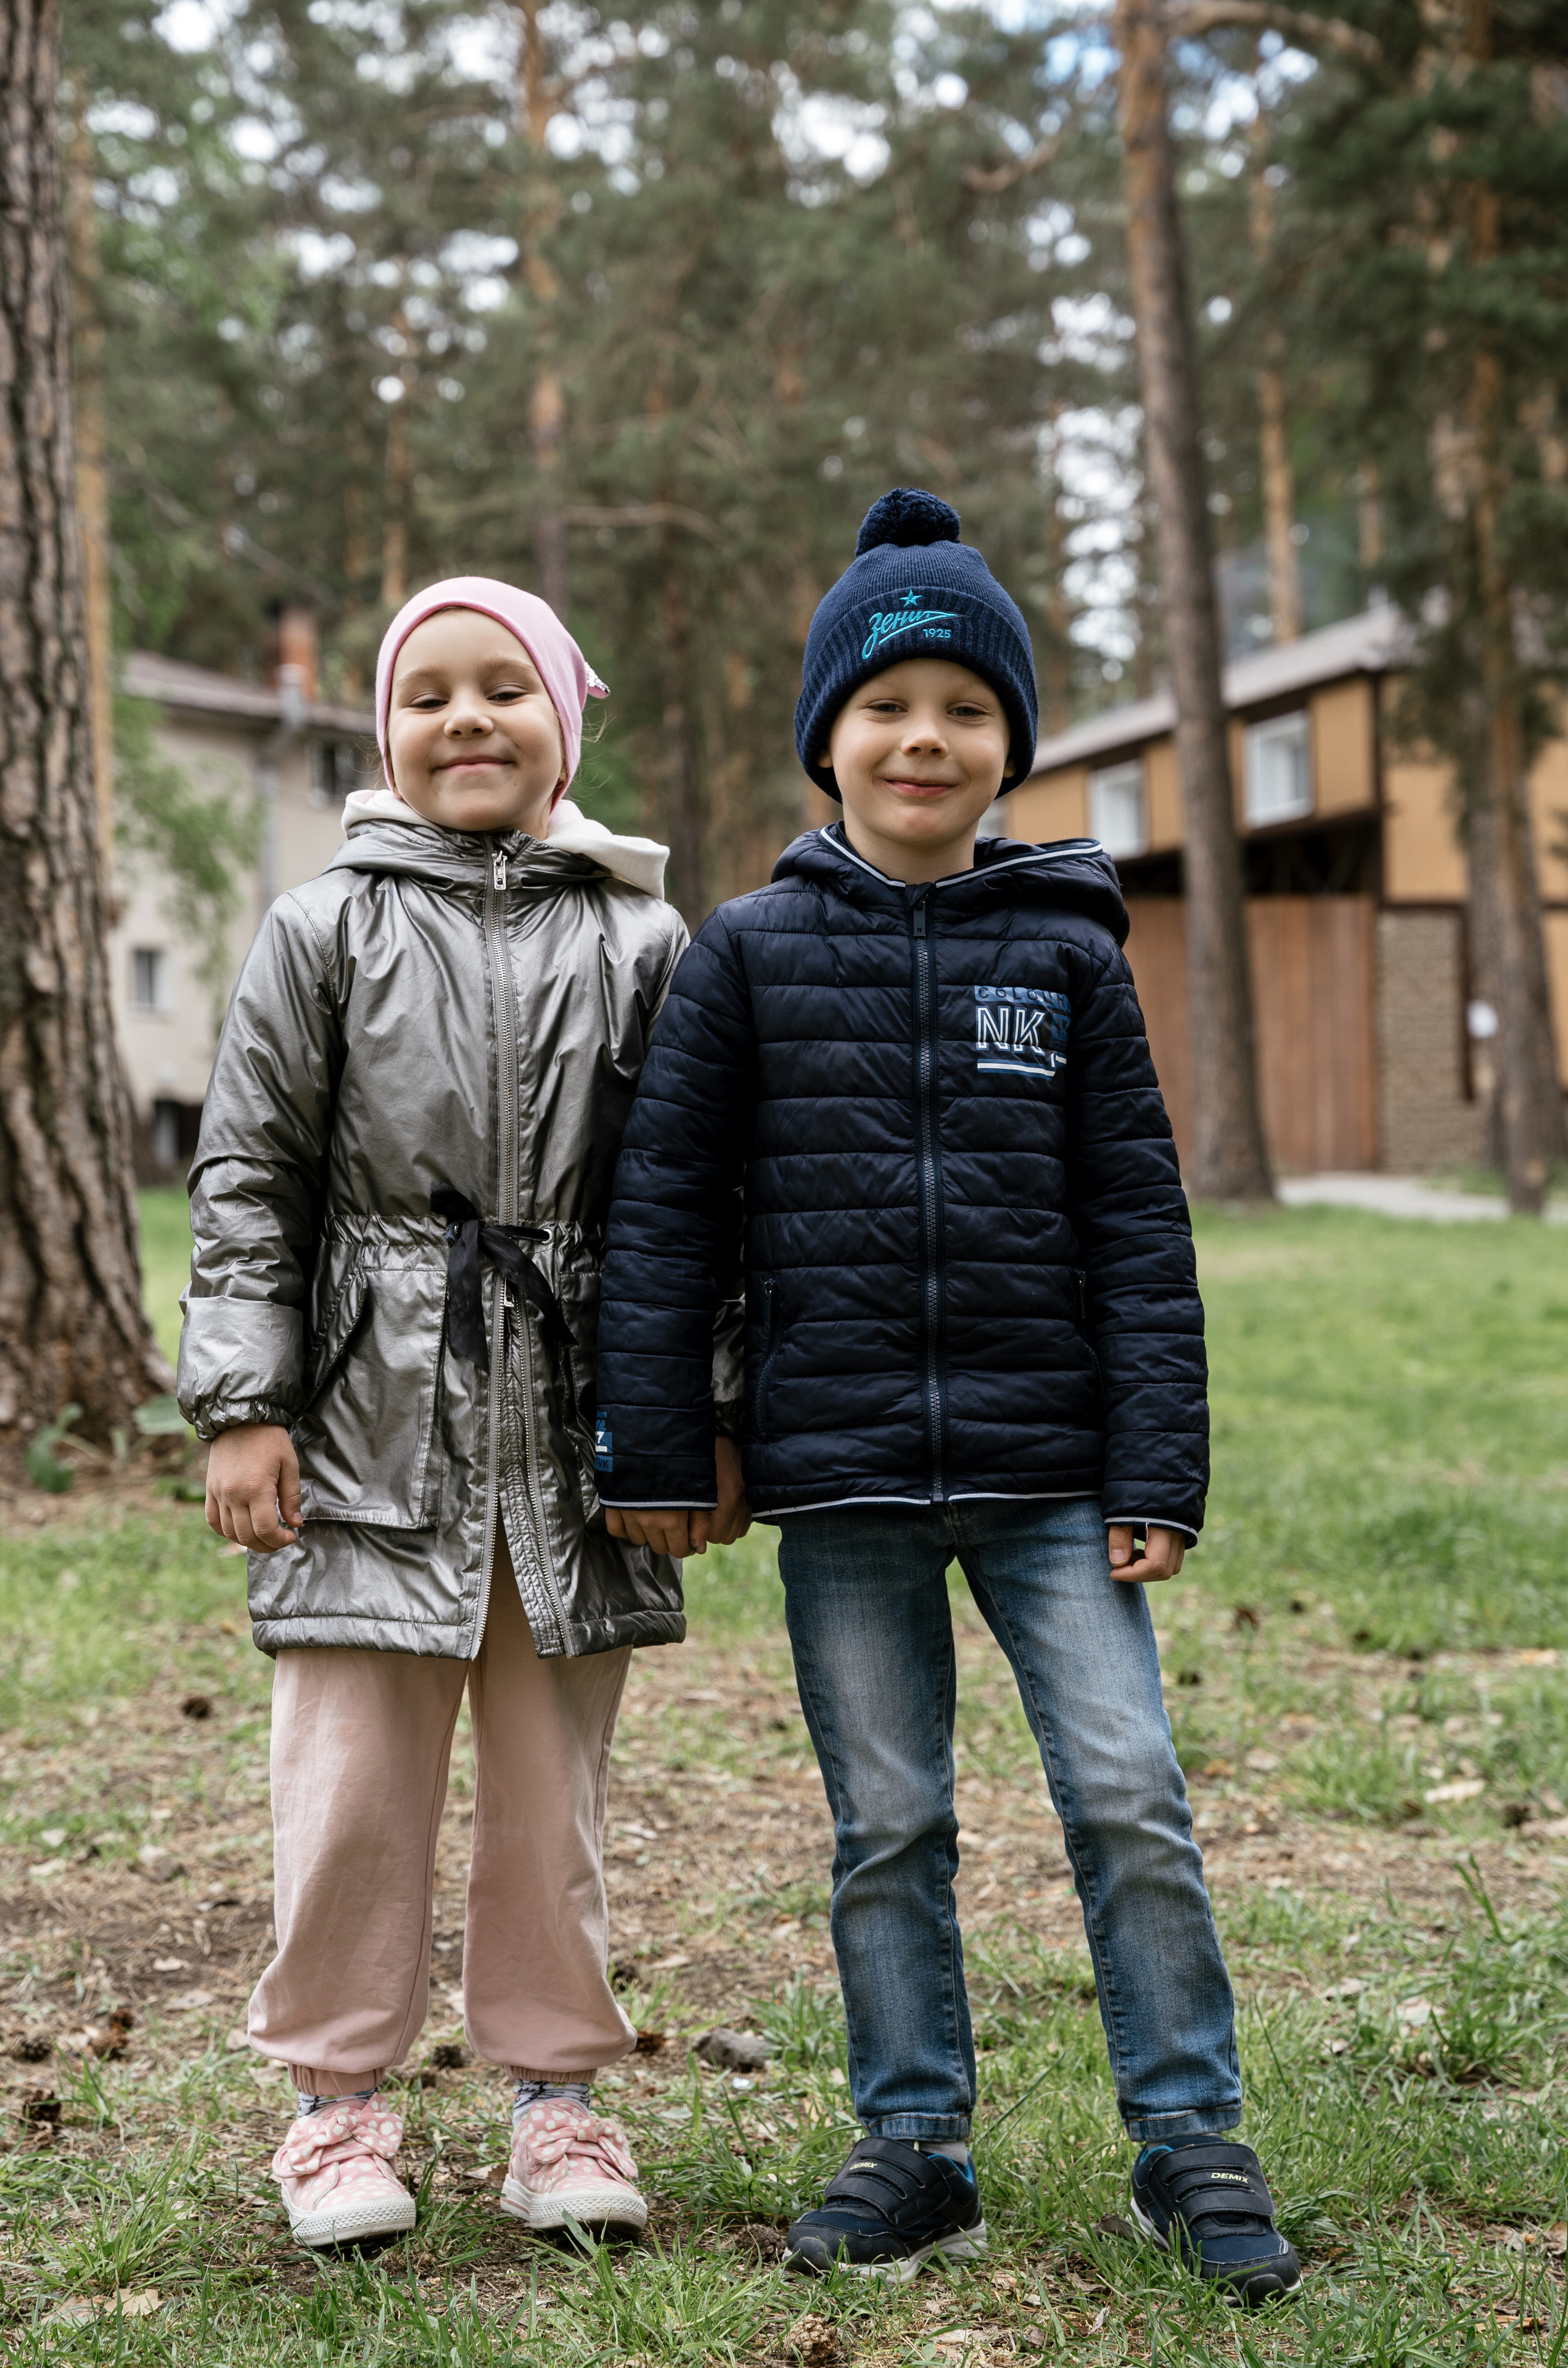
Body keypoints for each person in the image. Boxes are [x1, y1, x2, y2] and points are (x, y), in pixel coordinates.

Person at [594, 490, 1301, 2305]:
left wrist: (1162, 1460)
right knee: (887, 1823)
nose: (927, 740)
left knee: (1130, 1791)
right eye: (888, 706)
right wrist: (665, 1443)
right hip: (838, 1482)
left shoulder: (1069, 953)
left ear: (1011, 744)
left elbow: (1138, 1222)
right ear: (828, 735)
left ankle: (1190, 2137)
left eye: (967, 710)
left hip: (1056, 1471)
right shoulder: (744, 953)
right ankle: (914, 2146)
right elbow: (669, 1213)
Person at [177, 577, 749, 2250]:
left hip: (575, 1444)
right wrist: (242, 1402)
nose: (467, 720)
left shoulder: (644, 939)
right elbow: (250, 1176)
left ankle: (558, 2098)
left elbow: (694, 1201)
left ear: (564, 726)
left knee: (549, 1789)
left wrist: (698, 1419)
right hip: (369, 1422)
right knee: (349, 1781)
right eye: (429, 693)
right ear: (385, 731)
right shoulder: (324, 927)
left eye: (506, 689)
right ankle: (336, 2104)